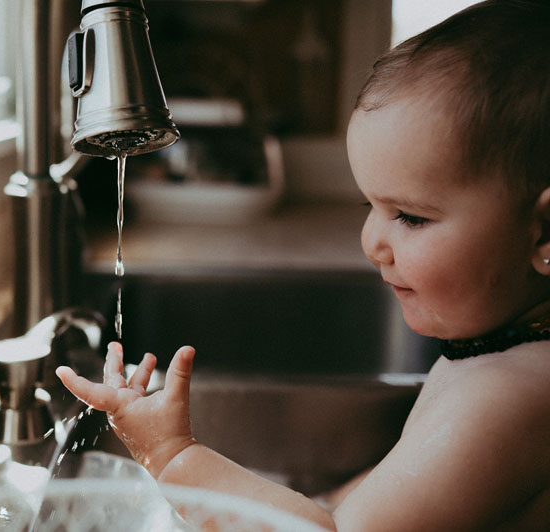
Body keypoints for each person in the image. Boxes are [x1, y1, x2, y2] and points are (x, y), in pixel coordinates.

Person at [56, 1, 550, 529]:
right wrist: (336, 496)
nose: (372, 243)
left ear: (543, 233)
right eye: (371, 207)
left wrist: (173, 456)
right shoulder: (503, 356)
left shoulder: (504, 401)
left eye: (409, 216)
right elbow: (408, 480)